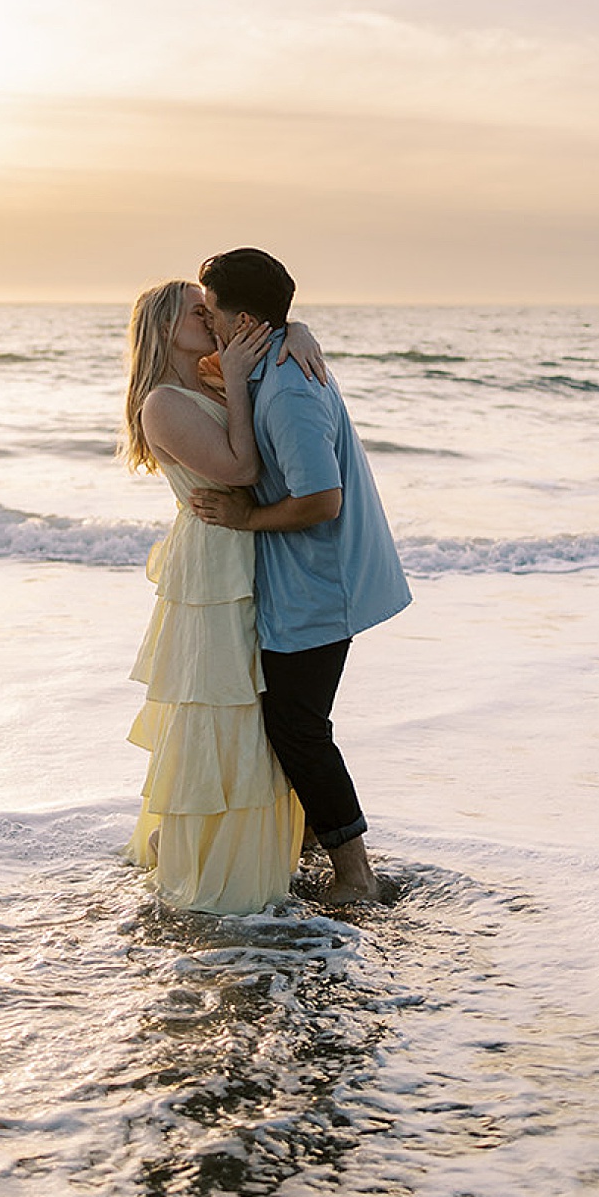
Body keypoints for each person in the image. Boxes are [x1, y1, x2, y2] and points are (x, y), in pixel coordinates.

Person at [188, 248, 411, 905]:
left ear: (246, 318)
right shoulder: (275, 355)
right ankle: (313, 849)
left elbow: (323, 499)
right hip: (307, 577)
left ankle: (355, 876)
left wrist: (241, 516)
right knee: (288, 720)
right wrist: (293, 329)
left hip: (322, 578)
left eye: (212, 314)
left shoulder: (287, 390)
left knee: (297, 726)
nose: (207, 323)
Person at [120, 280, 325, 914]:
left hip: (251, 551)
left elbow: (271, 361)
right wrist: (235, 377)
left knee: (263, 709)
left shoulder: (211, 380)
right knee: (223, 707)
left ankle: (278, 843)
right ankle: (211, 855)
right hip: (212, 563)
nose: (209, 317)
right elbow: (240, 470)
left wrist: (297, 332)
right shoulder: (162, 403)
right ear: (162, 329)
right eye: (195, 311)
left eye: (210, 307)